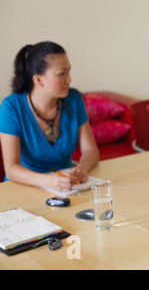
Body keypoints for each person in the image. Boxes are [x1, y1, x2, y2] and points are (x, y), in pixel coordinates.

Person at [0, 42, 99, 192]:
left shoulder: (74, 99)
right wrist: (47, 181)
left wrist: (82, 169)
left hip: (65, 188)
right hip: (23, 188)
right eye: (62, 73)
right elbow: (11, 169)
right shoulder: (11, 107)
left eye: (69, 72)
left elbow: (91, 150)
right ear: (38, 80)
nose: (69, 79)